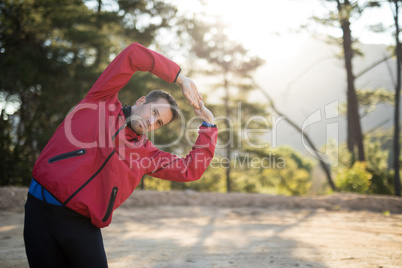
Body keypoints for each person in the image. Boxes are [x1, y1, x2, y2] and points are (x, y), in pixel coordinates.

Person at [23, 43, 218, 268]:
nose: (151, 122)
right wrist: (180, 78)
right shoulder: (101, 100)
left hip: (82, 226)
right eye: (154, 112)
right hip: (39, 211)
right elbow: (133, 54)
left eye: (159, 122)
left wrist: (209, 125)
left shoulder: (146, 155)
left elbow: (190, 169)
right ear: (140, 101)